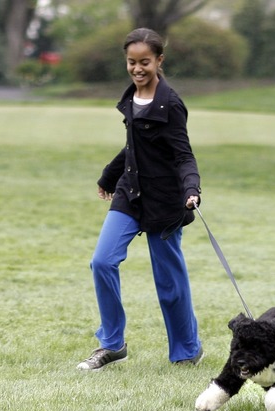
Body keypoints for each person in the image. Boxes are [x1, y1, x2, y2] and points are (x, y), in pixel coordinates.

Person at [77, 28, 204, 371]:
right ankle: (112, 344)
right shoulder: (132, 97)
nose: (137, 69)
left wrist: (192, 188)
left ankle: (187, 350)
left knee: (169, 284)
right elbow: (136, 146)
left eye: (144, 62)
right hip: (130, 193)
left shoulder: (171, 104)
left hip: (164, 201)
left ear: (159, 60)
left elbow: (183, 155)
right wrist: (108, 175)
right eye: (131, 62)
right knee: (102, 261)